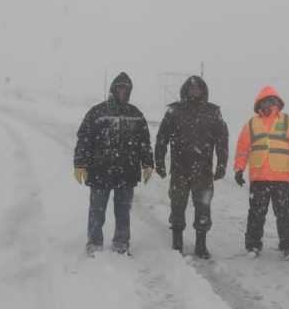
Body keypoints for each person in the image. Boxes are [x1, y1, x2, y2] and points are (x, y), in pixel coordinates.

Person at [74, 72, 154, 256]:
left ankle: (121, 242)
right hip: (99, 172)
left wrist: (148, 163)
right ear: (113, 89)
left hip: (126, 173)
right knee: (97, 211)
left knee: (123, 211)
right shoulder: (97, 112)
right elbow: (84, 139)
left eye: (126, 89)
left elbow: (144, 142)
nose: (123, 92)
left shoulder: (136, 114)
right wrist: (80, 164)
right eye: (120, 88)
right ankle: (94, 242)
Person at [154, 75, 229, 259]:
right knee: (177, 206)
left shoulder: (213, 112)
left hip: (203, 172)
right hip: (179, 169)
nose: (194, 91)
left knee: (203, 208)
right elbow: (162, 138)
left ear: (203, 91)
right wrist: (160, 161)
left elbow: (222, 140)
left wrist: (221, 164)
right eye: (191, 88)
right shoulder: (175, 111)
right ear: (185, 90)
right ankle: (177, 242)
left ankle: (201, 245)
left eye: (198, 89)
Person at [233, 85, 289, 260]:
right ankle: (253, 245)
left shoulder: (288, 122)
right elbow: (242, 149)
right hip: (259, 178)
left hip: (281, 178)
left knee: (284, 213)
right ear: (259, 104)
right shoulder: (252, 124)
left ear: (276, 103)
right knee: (256, 213)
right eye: (265, 101)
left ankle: (288, 246)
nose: (268, 104)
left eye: (271, 101)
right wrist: (239, 169)